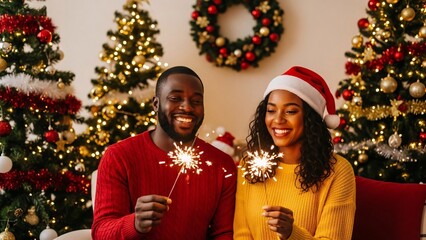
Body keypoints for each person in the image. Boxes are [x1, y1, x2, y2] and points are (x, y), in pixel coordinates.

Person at [92, 66, 237, 239]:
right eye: (175, 98)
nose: (187, 107)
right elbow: (101, 232)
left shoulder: (222, 164)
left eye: (196, 101)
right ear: (156, 104)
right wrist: (135, 223)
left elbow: (223, 234)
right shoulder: (119, 156)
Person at [233, 66, 356, 240]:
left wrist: (291, 233)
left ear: (309, 118)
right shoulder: (249, 164)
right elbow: (241, 235)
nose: (278, 120)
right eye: (271, 110)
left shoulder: (338, 171)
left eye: (290, 111)